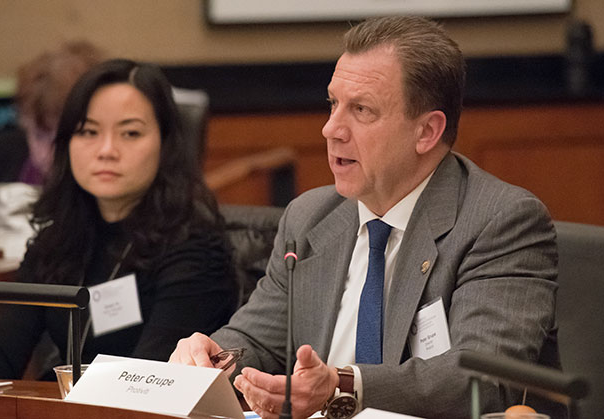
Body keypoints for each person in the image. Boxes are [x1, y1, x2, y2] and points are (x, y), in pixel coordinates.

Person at [169, 16, 559, 419]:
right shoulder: (310, 218)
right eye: (333, 104)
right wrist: (213, 358)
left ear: (426, 131)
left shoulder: (500, 221)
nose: (330, 129)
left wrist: (342, 386)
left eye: (362, 110)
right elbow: (259, 340)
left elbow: (480, 380)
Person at [0, 59, 237, 379]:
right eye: (88, 131)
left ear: (166, 144)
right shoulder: (57, 241)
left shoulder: (196, 249)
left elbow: (151, 382)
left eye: (130, 133)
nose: (106, 150)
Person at [0, 40, 104, 242]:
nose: (50, 152)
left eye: (65, 136)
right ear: (24, 123)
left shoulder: (113, 179)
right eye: (40, 135)